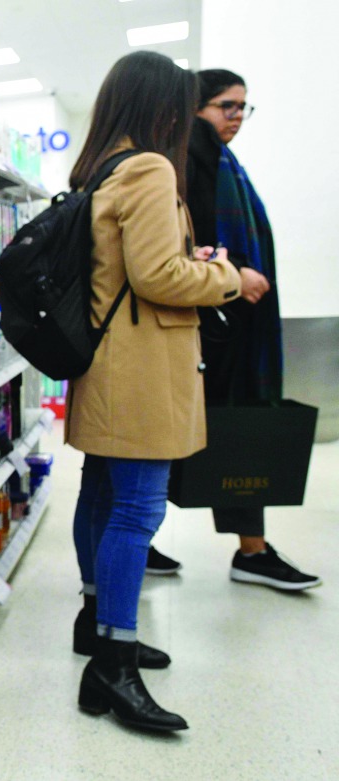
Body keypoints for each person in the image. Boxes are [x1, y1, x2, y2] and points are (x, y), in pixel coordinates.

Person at [65, 51, 265, 733]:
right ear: (162, 106)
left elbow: (134, 265)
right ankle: (115, 661)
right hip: (141, 363)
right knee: (137, 509)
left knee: (100, 493)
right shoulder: (150, 168)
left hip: (104, 359)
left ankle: (97, 625)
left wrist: (190, 263)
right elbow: (157, 277)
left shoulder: (101, 165)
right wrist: (229, 278)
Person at [183, 68, 321, 591]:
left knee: (229, 431)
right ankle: (250, 552)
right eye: (226, 106)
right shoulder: (195, 156)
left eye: (244, 107)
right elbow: (191, 238)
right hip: (216, 322)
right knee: (225, 431)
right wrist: (232, 274)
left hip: (229, 322)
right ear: (196, 108)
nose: (237, 117)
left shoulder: (221, 160)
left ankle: (251, 550)